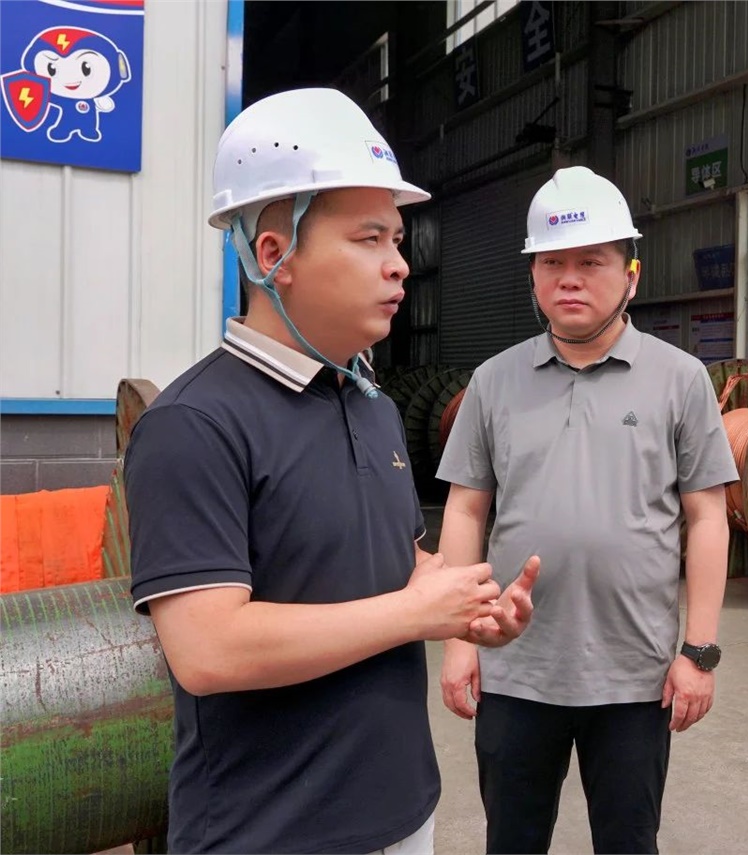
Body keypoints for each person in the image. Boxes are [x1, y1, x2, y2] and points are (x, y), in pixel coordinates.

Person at [126, 87, 539, 855]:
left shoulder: (370, 403)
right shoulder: (194, 424)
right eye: (369, 238)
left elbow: (395, 564)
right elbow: (209, 649)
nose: (400, 265)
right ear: (274, 255)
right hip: (272, 833)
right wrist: (415, 613)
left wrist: (468, 605)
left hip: (402, 812)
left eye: (397, 239)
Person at [435, 165, 738, 854]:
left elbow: (707, 518)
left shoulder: (680, 379)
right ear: (533, 275)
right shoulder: (494, 381)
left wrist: (699, 651)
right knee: (512, 841)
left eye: (591, 262)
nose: (569, 279)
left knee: (629, 841)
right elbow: (465, 511)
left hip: (635, 678)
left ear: (631, 274)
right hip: (515, 669)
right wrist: (459, 641)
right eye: (552, 263)